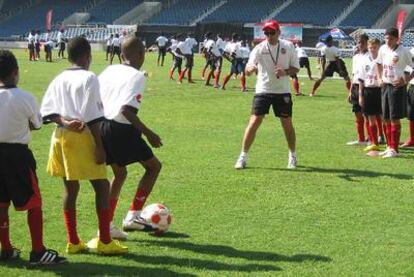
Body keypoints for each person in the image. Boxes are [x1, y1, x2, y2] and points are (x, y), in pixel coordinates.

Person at [40, 37, 128, 254]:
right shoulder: (89, 78)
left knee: (71, 188)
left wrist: (65, 122)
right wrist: (100, 146)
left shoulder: (59, 78)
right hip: (83, 137)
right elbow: (94, 117)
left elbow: (47, 112)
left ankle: (73, 241)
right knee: (102, 186)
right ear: (88, 55)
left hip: (61, 136)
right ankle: (105, 242)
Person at [0, 50, 67, 265]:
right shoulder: (25, 97)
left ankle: (7, 249)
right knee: (33, 203)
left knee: (1, 204)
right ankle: (38, 251)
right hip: (18, 156)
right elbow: (37, 124)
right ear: (16, 72)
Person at [99, 37, 163, 237]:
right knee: (153, 167)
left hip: (101, 126)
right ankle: (133, 216)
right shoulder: (137, 76)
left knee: (120, 174)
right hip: (121, 128)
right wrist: (149, 133)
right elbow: (127, 111)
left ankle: (107, 225)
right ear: (140, 54)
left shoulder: (109, 70)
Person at [234, 20, 299, 169]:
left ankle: (292, 155)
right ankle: (243, 156)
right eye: (266, 33)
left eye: (272, 32)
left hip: (282, 90)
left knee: (286, 123)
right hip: (263, 89)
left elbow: (296, 68)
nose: (269, 35)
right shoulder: (259, 48)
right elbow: (249, 66)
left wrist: (285, 72)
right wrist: (249, 69)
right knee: (254, 121)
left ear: (278, 32)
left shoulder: (288, 46)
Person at [376, 27, 414, 158]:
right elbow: (378, 63)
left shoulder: (404, 51)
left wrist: (405, 80)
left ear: (397, 39)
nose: (387, 41)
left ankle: (395, 149)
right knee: (385, 117)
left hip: (396, 87)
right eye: (386, 38)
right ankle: (389, 147)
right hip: (385, 86)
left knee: (394, 118)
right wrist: (379, 77)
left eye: (390, 39)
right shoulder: (382, 49)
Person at [358, 38, 385, 155]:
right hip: (368, 91)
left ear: (379, 48)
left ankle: (388, 143)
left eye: (375, 47)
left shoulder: (383, 59)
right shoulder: (364, 60)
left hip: (381, 90)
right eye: (370, 48)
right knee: (370, 118)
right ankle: (374, 143)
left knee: (384, 117)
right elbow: (361, 79)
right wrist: (360, 95)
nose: (372, 50)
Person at [347, 34, 370, 146]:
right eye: (358, 42)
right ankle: (361, 139)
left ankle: (371, 138)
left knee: (367, 114)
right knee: (357, 114)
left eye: (362, 42)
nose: (360, 44)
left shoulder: (370, 57)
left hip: (366, 87)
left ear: (367, 43)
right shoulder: (355, 57)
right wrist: (350, 90)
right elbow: (354, 74)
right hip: (356, 86)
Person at [401, 47, 414, 148]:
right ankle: (412, 139)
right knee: (411, 115)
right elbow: (407, 68)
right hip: (413, 86)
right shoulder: (412, 51)